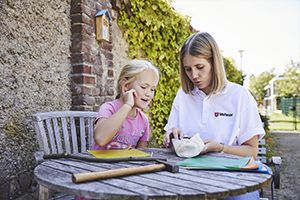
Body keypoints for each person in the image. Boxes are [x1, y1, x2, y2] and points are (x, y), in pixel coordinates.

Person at [163, 32, 265, 200]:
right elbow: (170, 142)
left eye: (200, 67)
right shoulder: (183, 95)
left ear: (214, 63)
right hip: (188, 176)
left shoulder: (239, 96)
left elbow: (252, 152)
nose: (194, 75)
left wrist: (220, 148)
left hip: (233, 177)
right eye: (188, 69)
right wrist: (171, 137)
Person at [93, 59, 160, 150]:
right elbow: (100, 139)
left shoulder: (143, 120)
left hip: (125, 165)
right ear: (125, 86)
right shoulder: (109, 108)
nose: (149, 94)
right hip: (99, 164)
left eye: (152, 89)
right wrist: (127, 105)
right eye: (144, 87)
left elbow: (140, 154)